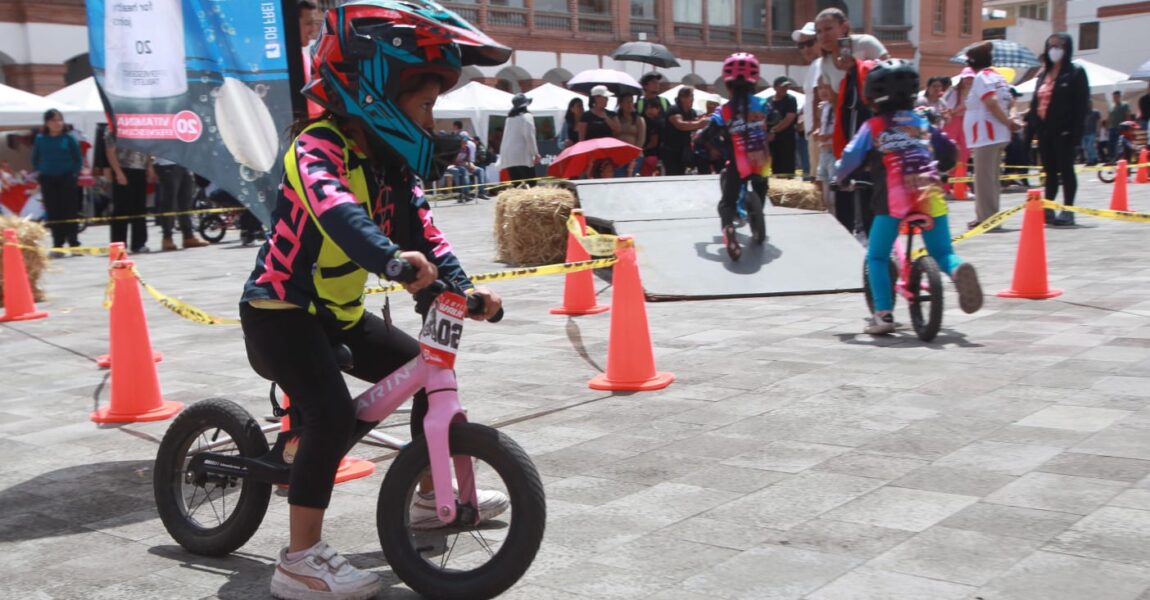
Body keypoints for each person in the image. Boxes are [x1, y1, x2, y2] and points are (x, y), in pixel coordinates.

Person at [239, 3, 511, 599]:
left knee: (423, 368)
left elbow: (428, 237)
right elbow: (337, 211)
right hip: (280, 313)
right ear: (375, 93)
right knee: (332, 414)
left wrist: (464, 292)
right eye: (426, 101)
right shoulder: (315, 147)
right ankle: (301, 559)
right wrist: (388, 260)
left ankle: (423, 496)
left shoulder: (394, 167)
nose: (432, 115)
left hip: (338, 316)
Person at [835, 59, 983, 335]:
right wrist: (943, 167)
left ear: (872, 96)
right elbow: (949, 152)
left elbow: (850, 157)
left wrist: (839, 178)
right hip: (930, 193)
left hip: (894, 200)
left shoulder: (874, 126)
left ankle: (884, 315)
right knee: (942, 252)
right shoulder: (922, 121)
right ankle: (957, 269)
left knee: (877, 256)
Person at [815, 7, 888, 237]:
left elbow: (891, 74)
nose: (823, 35)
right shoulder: (825, 63)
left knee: (870, 185)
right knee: (844, 183)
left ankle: (874, 237)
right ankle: (845, 235)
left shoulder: (866, 44)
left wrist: (856, 67)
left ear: (844, 26)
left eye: (828, 29)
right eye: (819, 31)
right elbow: (838, 103)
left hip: (875, 122)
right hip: (848, 128)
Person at [705, 52, 773, 261]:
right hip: (761, 160)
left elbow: (709, 131)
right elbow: (775, 118)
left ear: (727, 85)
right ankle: (757, 217)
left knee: (727, 202)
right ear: (755, 81)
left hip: (738, 161)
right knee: (761, 187)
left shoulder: (724, 110)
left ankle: (728, 227)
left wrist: (702, 139)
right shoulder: (762, 104)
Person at [1025, 32, 1089, 227]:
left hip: (1065, 131)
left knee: (1066, 169)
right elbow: (1036, 102)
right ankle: (1049, 207)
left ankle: (1068, 210)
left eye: (1059, 45)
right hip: (1045, 132)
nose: (1055, 49)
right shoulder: (1043, 74)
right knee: (1049, 171)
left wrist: (1075, 133)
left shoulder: (1075, 72)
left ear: (1067, 48)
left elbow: (1081, 105)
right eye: (1051, 45)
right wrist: (1031, 129)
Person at [963, 42, 1019, 229]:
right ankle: (985, 215)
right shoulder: (998, 77)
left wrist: (1008, 122)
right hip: (994, 135)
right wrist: (1010, 119)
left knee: (984, 179)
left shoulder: (982, 77)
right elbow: (1011, 101)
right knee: (991, 178)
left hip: (986, 135)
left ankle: (988, 220)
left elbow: (992, 102)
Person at [32, 109, 83, 254]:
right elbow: (35, 158)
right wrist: (41, 169)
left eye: (59, 120)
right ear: (47, 123)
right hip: (48, 179)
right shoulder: (40, 139)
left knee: (70, 210)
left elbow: (78, 159)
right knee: (54, 211)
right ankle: (57, 244)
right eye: (53, 120)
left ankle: (74, 243)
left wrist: (74, 174)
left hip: (67, 178)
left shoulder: (69, 138)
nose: (57, 123)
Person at [104, 124, 152, 253]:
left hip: (140, 169)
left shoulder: (142, 124)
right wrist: (118, 172)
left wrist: (149, 167)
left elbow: (148, 147)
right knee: (121, 208)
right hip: (123, 168)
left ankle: (139, 243)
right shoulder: (113, 125)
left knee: (140, 207)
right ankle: (118, 245)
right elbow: (110, 151)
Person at [152, 158, 210, 250]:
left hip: (185, 163)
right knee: (169, 203)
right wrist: (150, 166)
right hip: (166, 163)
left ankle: (188, 236)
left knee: (186, 202)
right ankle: (167, 237)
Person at [661, 86, 710, 176]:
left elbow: (695, 125)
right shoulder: (674, 109)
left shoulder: (692, 112)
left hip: (684, 152)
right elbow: (680, 125)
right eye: (690, 96)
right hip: (671, 152)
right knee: (673, 177)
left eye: (692, 96)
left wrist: (705, 120)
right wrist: (699, 123)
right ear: (682, 97)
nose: (692, 99)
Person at [501, 92, 540, 185]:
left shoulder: (509, 118)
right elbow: (529, 136)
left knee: (517, 185)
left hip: (509, 155)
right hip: (521, 154)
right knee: (532, 184)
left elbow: (505, 137)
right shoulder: (527, 117)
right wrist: (535, 153)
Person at [813, 79, 838, 212]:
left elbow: (839, 129)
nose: (823, 91)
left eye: (826, 87)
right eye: (820, 88)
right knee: (824, 182)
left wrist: (829, 136)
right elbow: (822, 126)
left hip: (833, 149)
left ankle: (835, 214)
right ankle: (829, 212)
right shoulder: (823, 107)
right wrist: (818, 132)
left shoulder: (836, 107)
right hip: (823, 149)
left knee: (833, 185)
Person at [768, 76, 799, 176]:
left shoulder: (790, 100)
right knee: (775, 166)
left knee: (787, 166)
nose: (785, 89)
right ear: (775, 87)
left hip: (786, 139)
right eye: (782, 87)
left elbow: (789, 118)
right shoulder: (768, 101)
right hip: (772, 140)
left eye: (787, 87)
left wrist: (773, 131)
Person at [298, 0, 324, 118]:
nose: (313, 29)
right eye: (308, 24)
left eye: (314, 23)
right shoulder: (286, 63)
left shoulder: (303, 56)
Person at [614, 94, 645, 177]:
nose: (630, 104)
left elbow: (641, 139)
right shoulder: (616, 118)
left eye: (631, 102)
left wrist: (634, 155)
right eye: (627, 102)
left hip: (635, 155)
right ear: (621, 104)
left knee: (631, 178)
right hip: (619, 155)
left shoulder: (639, 119)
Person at [639, 100, 664, 176]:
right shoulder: (646, 120)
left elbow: (653, 143)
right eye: (647, 108)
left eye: (652, 108)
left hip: (652, 156)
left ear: (658, 109)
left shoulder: (656, 122)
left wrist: (642, 149)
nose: (649, 110)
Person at [1107, 90, 1131, 162]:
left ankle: (1120, 159)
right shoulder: (1111, 106)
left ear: (1119, 96)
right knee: (1112, 144)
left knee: (1120, 144)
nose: (1115, 98)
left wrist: (1128, 126)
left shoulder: (1125, 104)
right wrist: (1107, 127)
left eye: (1117, 96)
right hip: (1112, 128)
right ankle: (1113, 159)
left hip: (1121, 127)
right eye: (1114, 97)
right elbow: (1109, 117)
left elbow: (1127, 115)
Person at [1082, 99, 1101, 165]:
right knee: (1086, 147)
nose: (1089, 105)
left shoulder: (1095, 112)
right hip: (1084, 132)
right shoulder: (1083, 113)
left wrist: (1098, 130)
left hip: (1092, 132)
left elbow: (1098, 121)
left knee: (1090, 146)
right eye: (1087, 103)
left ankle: (1093, 159)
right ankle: (1091, 159)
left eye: (1090, 103)